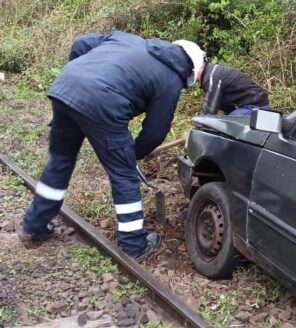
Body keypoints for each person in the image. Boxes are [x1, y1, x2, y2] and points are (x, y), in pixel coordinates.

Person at [20, 32, 205, 263]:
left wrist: (78, 78)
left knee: (60, 159)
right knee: (124, 175)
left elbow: (80, 43)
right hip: (103, 104)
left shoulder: (127, 39)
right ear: (189, 69)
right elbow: (156, 131)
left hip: (65, 87)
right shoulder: (171, 80)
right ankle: (134, 245)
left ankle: (33, 226)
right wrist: (134, 155)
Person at [199, 61, 270, 116]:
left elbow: (208, 111)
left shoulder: (213, 77)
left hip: (256, 107)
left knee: (228, 126)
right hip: (250, 105)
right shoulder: (214, 72)